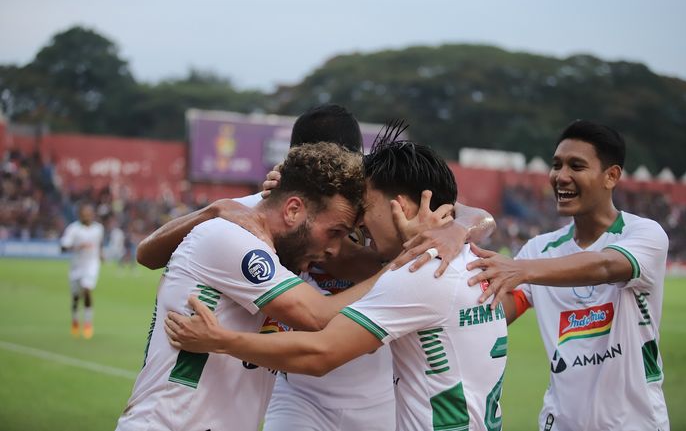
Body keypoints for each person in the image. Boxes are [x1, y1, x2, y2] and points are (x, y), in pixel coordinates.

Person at [136, 104, 496, 431]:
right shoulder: (252, 217)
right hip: (299, 389)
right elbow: (148, 254)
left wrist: (455, 229)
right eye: (334, 232)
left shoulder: (372, 210)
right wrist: (211, 210)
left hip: (374, 393)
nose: (334, 247)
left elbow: (475, 215)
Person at [460, 120, 670, 431]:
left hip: (636, 423)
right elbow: (498, 310)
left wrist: (521, 269)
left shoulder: (644, 233)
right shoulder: (539, 249)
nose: (561, 176)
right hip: (560, 423)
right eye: (556, 165)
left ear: (611, 176)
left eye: (576, 166)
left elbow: (605, 266)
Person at [60, 202, 104, 339]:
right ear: (80, 215)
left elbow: (99, 244)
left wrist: (101, 254)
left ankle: (87, 324)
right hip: (76, 267)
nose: (88, 216)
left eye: (90, 213)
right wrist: (77, 247)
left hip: (92, 265)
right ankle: (75, 321)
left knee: (87, 290)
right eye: (85, 214)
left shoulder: (98, 228)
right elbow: (63, 248)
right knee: (75, 297)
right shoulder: (73, 229)